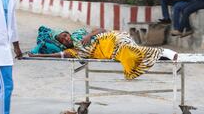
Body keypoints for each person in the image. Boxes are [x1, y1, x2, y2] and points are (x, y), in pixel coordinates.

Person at [29, 27, 178, 80]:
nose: (66, 38)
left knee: (127, 50)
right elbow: (58, 56)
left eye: (65, 35)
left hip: (110, 38)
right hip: (110, 51)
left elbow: (102, 30)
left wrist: (89, 35)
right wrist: (37, 55)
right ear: (61, 43)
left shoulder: (80, 33)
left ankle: (164, 52)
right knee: (129, 56)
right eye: (63, 39)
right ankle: (162, 53)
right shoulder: (72, 51)